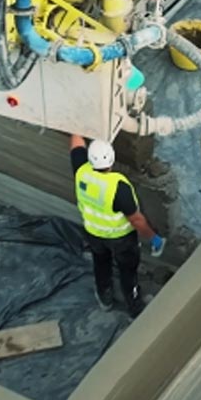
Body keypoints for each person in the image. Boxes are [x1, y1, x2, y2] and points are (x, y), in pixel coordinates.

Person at [70, 133, 163, 317]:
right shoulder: (118, 187)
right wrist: (154, 238)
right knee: (128, 272)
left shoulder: (81, 170)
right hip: (121, 239)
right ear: (112, 159)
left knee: (101, 264)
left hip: (94, 233)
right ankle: (134, 308)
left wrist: (77, 126)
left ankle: (105, 299)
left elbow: (75, 143)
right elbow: (136, 219)